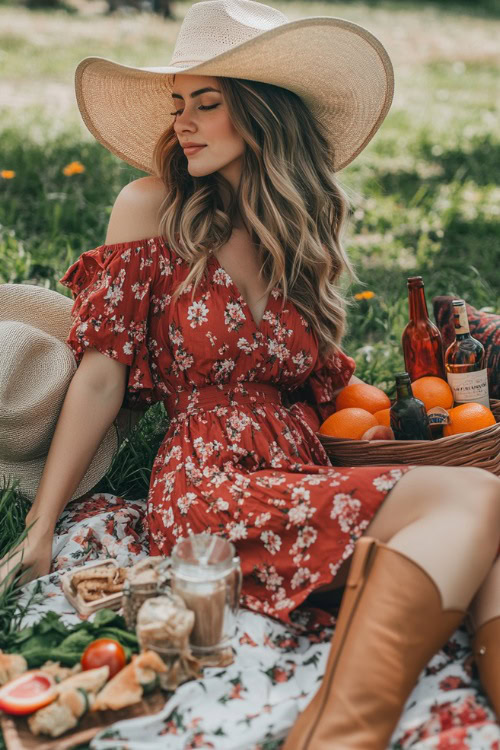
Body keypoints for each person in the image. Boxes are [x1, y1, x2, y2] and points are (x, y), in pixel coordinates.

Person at [0, 0, 498, 745]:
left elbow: (332, 393)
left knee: (489, 516)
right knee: (483, 497)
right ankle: (341, 734)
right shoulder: (150, 208)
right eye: (179, 104)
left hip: (301, 466)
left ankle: (341, 726)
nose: (184, 124)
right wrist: (41, 526)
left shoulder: (300, 231)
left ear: (262, 117)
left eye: (208, 103)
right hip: (209, 481)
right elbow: (101, 377)